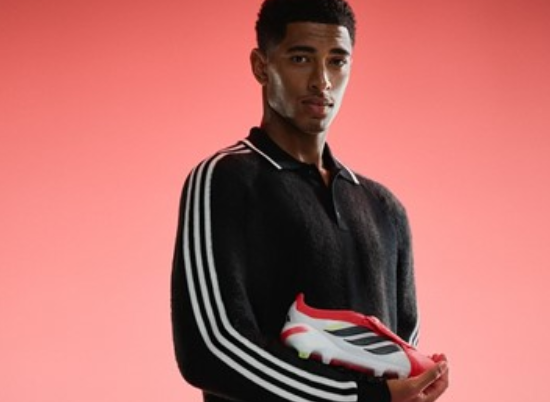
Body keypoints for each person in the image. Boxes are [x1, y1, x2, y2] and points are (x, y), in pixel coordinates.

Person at [171, 0, 449, 401]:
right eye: (301, 58)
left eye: (337, 62)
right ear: (261, 66)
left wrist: (420, 382)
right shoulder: (226, 179)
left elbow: (398, 362)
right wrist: (359, 398)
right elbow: (212, 349)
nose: (322, 81)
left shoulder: (384, 209)